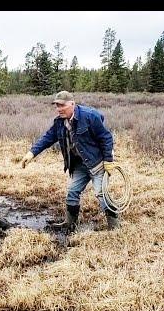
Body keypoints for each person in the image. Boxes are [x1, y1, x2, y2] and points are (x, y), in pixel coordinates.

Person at [20, 90, 120, 232]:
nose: (59, 109)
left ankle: (114, 227)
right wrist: (31, 153)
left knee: (101, 193)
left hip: (97, 164)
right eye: (57, 106)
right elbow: (47, 138)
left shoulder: (90, 116)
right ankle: (70, 223)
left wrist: (108, 160)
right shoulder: (60, 123)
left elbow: (106, 138)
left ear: (72, 104)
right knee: (72, 192)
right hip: (79, 165)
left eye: (62, 105)